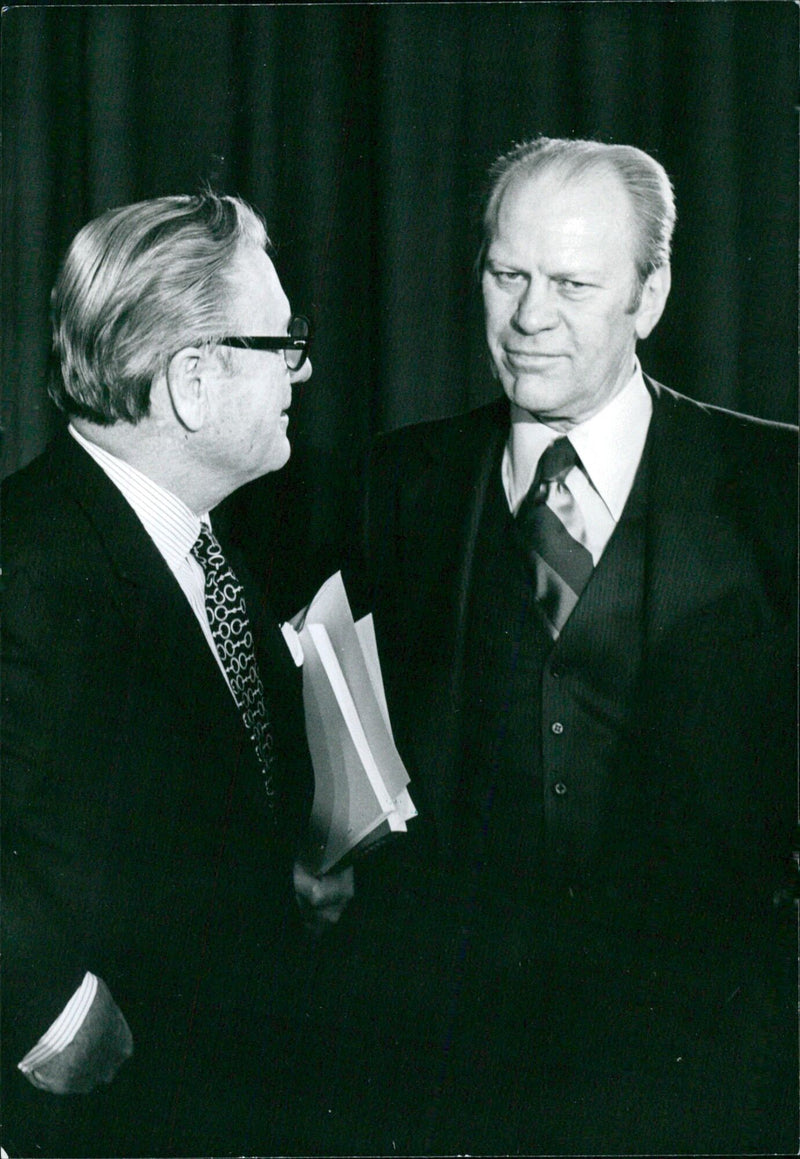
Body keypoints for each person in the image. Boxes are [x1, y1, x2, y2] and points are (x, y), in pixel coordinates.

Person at [310, 137, 798, 1154]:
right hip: (448, 1071)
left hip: (711, 1072)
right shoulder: (394, 486)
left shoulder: (775, 490)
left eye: (572, 284)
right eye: (506, 275)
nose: (529, 318)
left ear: (648, 295)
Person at [1, 192, 352, 1157]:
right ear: (194, 382)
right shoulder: (24, 568)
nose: (303, 366)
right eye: (283, 341)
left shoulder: (203, 537)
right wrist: (55, 1024)